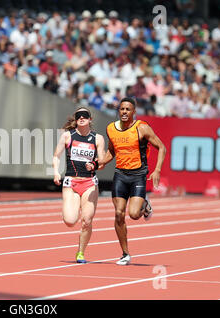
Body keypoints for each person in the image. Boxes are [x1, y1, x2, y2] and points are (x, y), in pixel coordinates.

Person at [101, 97, 166, 265]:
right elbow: (111, 151)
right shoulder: (111, 128)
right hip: (120, 175)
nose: (124, 112)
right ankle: (125, 253)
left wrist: (157, 169)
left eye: (128, 109)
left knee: (134, 214)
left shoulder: (142, 128)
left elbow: (162, 147)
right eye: (122, 109)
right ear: (118, 111)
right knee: (118, 213)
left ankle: (145, 205)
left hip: (138, 175)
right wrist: (100, 162)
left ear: (134, 112)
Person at [53, 107, 105, 263]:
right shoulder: (68, 136)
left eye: (85, 115)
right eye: (78, 116)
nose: (82, 118)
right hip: (71, 182)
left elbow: (102, 162)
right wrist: (56, 172)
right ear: (75, 119)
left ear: (90, 119)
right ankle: (73, 209)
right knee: (70, 221)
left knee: (87, 220)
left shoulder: (98, 138)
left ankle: (81, 252)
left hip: (90, 183)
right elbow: (56, 156)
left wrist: (95, 165)